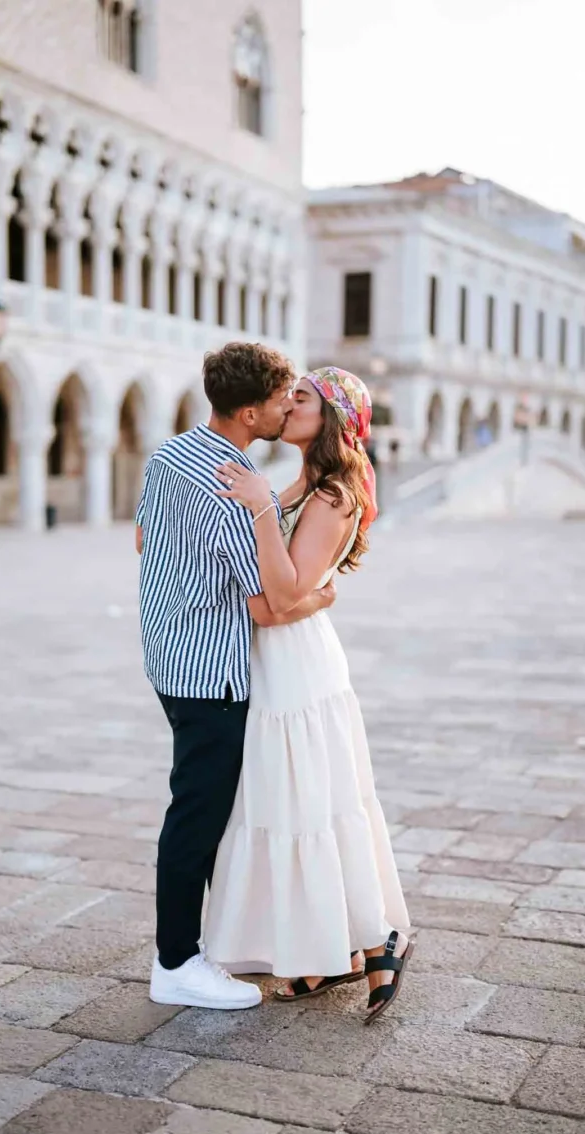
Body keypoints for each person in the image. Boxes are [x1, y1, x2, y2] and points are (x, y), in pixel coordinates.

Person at [205, 367, 413, 1023]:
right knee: (285, 802)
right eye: (289, 395)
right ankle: (327, 953)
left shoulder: (333, 494)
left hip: (297, 667)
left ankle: (375, 936)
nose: (287, 404)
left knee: (314, 804)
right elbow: (287, 593)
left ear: (332, 418)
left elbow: (284, 596)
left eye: (302, 398)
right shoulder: (294, 483)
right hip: (270, 661)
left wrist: (264, 514)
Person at [135, 343, 337, 1011]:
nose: (287, 409)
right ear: (250, 413)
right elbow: (268, 606)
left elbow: (143, 540)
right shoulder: (237, 489)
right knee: (197, 817)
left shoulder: (168, 455)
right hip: (211, 672)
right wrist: (320, 597)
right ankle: (176, 962)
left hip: (166, 653)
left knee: (197, 808)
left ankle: (202, 947)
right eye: (281, 400)